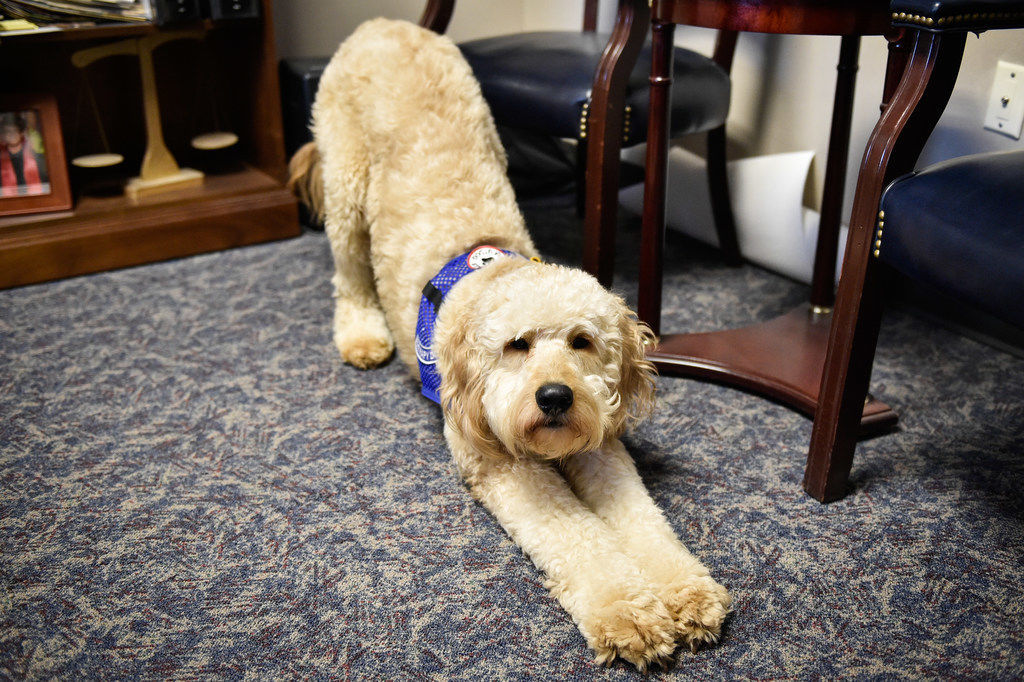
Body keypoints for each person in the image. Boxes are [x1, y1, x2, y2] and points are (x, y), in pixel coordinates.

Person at [1, 112, 49, 197]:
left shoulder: (38, 158)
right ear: (3, 135)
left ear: (21, 133)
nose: (11, 134)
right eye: (7, 132)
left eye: (14, 131)